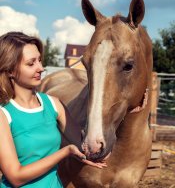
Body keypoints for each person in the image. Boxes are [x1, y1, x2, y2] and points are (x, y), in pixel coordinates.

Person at [0, 32, 106, 188]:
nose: (41, 68)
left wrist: (131, 108)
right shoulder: (4, 114)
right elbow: (15, 176)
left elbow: (86, 148)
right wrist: (64, 152)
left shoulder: (53, 104)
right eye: (31, 63)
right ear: (9, 70)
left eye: (40, 61)